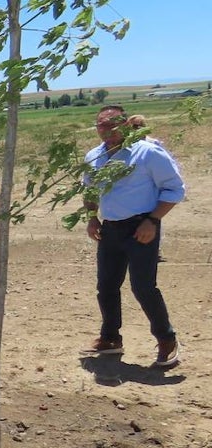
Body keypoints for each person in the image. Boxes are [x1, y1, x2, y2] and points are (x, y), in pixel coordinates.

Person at [83, 105, 185, 369]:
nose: (106, 131)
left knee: (143, 287)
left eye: (112, 125)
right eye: (101, 126)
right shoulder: (94, 156)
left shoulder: (147, 153)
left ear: (126, 124)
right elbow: (90, 190)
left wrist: (153, 221)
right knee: (106, 287)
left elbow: (174, 188)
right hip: (110, 229)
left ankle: (167, 339)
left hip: (142, 227)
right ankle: (110, 339)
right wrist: (92, 218)